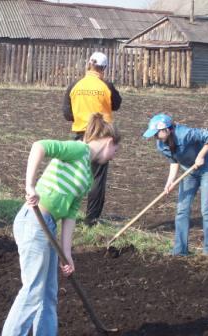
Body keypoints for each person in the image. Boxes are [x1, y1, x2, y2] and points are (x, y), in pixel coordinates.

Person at [2, 114, 121, 335]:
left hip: (48, 227)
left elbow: (71, 214)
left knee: (48, 292)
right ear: (109, 142)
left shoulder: (87, 174)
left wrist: (67, 254)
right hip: (34, 221)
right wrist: (30, 185)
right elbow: (40, 146)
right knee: (33, 291)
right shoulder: (79, 150)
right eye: (115, 150)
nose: (113, 156)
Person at [62, 51, 122, 226]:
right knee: (97, 178)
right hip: (102, 136)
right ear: (103, 68)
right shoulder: (106, 86)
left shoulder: (74, 85)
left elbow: (67, 114)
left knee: (73, 174)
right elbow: (117, 104)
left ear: (88, 65)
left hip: (82, 135)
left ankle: (65, 213)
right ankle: (91, 220)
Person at [143, 113, 208, 256]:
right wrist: (170, 182)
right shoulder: (161, 144)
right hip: (190, 172)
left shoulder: (185, 134)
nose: (155, 137)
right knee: (182, 209)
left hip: (207, 169)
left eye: (157, 133)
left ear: (167, 129)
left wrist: (200, 155)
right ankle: (180, 250)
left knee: (207, 210)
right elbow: (174, 161)